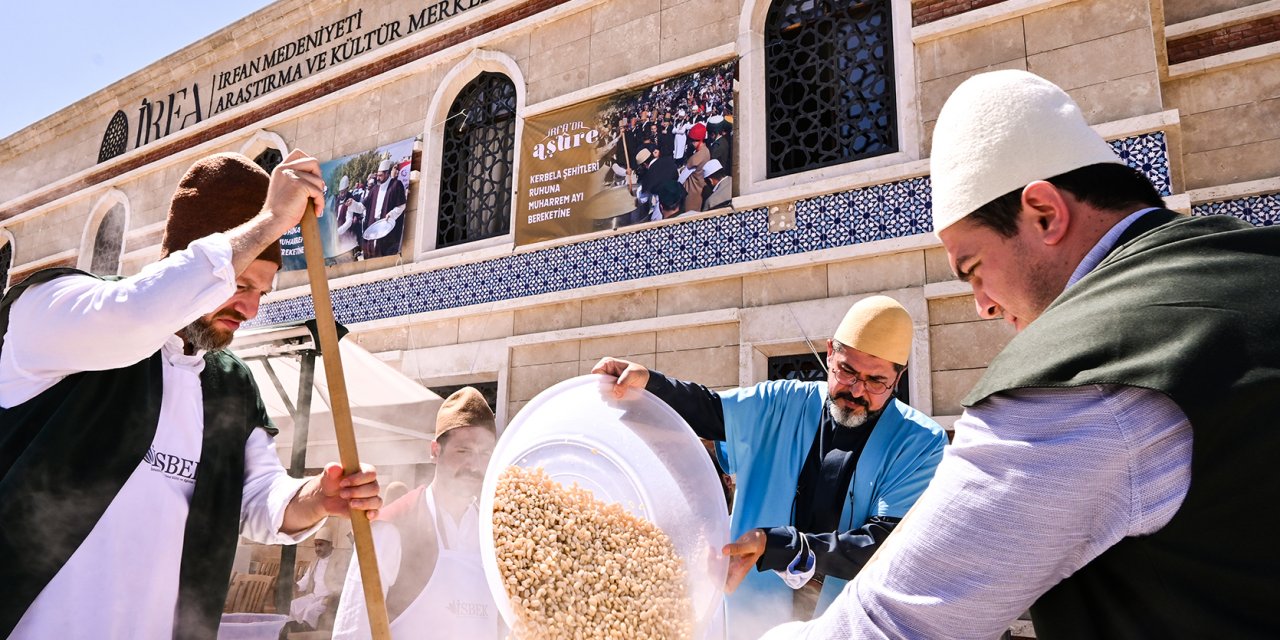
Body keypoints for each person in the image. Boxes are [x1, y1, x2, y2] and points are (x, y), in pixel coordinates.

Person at [764, 70, 1280, 639]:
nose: (983, 306)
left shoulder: (1085, 374)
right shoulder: (1249, 261)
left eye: (974, 270)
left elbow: (888, 625)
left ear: (1044, 213)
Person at [0, 150, 382, 639]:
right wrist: (269, 221)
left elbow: (257, 498)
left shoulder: (230, 385)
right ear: (188, 259)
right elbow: (135, 315)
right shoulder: (57, 311)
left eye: (262, 293)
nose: (249, 310)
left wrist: (316, 497)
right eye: (240, 284)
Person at [593, 296, 948, 639]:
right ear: (829, 353)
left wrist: (784, 546)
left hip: (849, 621)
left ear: (898, 379)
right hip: (751, 613)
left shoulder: (919, 442)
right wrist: (650, 384)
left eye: (876, 381)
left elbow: (888, 545)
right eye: (847, 371)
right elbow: (712, 411)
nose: (856, 390)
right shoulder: (784, 402)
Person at [332, 387, 500, 639]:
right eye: (463, 451)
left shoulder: (495, 534)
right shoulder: (391, 527)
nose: (474, 465)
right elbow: (352, 632)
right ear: (435, 451)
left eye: (485, 453)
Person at [286, 523, 351, 633]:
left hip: (328, 599)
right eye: (315, 545)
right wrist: (297, 586)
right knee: (294, 604)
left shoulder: (338, 559)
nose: (317, 548)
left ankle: (306, 633)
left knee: (310, 612)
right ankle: (294, 630)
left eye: (321, 545)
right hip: (314, 596)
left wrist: (332, 597)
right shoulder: (315, 560)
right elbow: (307, 578)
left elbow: (342, 583)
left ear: (330, 545)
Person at [361, 158, 408, 258]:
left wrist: (391, 214)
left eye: (380, 175)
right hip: (374, 225)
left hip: (387, 227)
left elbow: (402, 205)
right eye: (377, 175)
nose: (377, 178)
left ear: (387, 173)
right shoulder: (374, 189)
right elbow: (362, 206)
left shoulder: (396, 185)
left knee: (385, 251)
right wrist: (352, 205)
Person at [682, 121, 711, 213]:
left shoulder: (696, 158)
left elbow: (681, 178)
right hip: (701, 190)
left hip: (692, 192)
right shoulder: (706, 151)